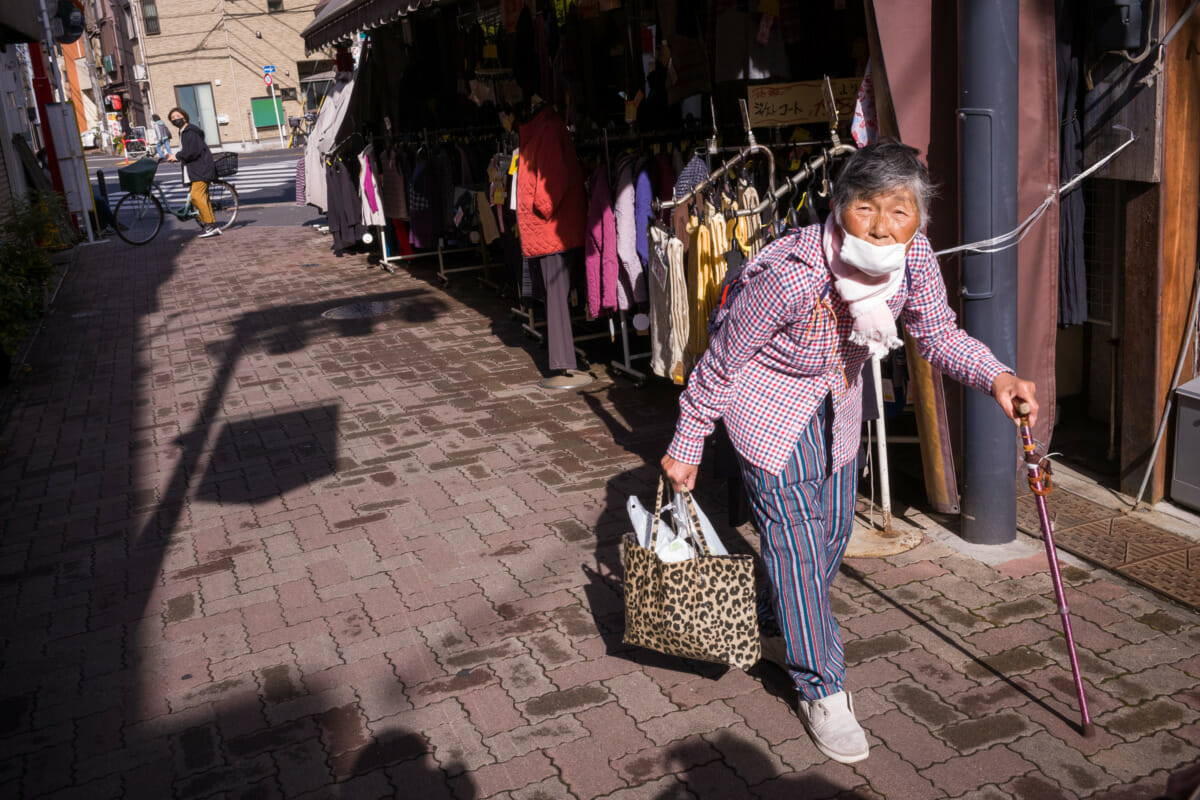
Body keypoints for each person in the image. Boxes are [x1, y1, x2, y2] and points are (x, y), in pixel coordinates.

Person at [659, 141, 1038, 765]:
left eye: (900, 212)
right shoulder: (791, 270)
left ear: (918, 218)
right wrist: (688, 440)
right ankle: (822, 688)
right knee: (797, 549)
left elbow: (936, 332)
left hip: (840, 407)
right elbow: (722, 360)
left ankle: (775, 621)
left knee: (831, 536)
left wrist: (997, 377)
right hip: (768, 411)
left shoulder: (911, 256)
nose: (883, 227)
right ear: (839, 204)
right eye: (867, 208)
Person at [165, 107, 221, 238]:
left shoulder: (189, 131)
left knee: (196, 196)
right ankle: (211, 225)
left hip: (201, 168)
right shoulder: (184, 131)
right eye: (172, 118)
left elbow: (192, 151)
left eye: (177, 116)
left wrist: (177, 156)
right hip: (197, 168)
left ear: (184, 117)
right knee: (202, 198)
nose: (175, 119)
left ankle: (210, 226)